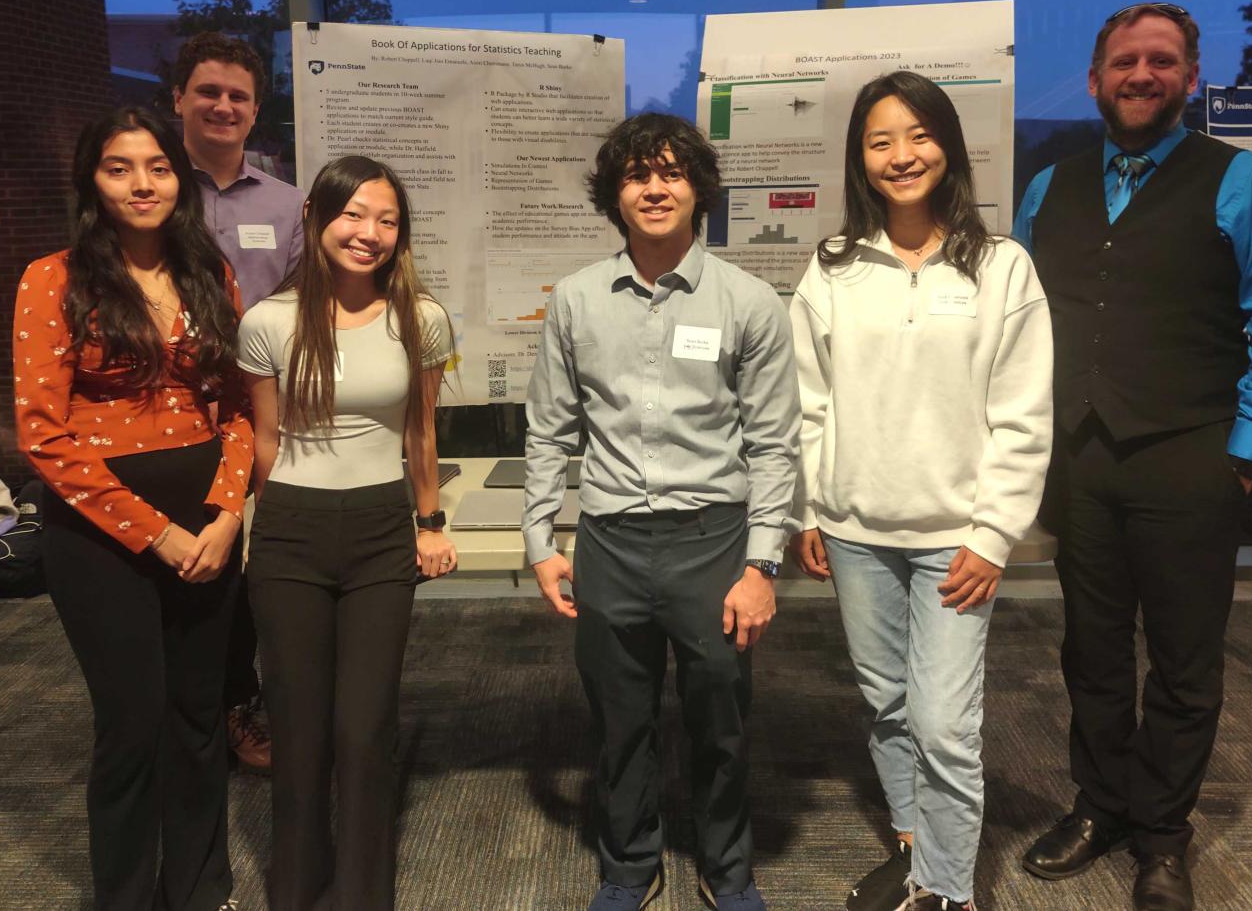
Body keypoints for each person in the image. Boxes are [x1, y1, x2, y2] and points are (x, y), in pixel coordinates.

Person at [1013, 3, 1252, 911]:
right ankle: (1100, 802)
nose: (1139, 75)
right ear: (1096, 76)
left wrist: (1246, 453)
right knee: (1092, 651)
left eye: (1161, 61)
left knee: (1184, 661)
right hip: (1081, 460)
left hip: (1194, 457)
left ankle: (1164, 835)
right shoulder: (1049, 188)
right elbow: (1019, 324)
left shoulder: (1244, 181)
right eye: (1122, 61)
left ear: (1191, 76)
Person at [788, 72, 1053, 911]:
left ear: (948, 144)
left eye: (918, 134)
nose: (902, 155)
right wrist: (811, 508)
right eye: (880, 140)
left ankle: (945, 889)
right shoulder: (832, 268)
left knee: (944, 721)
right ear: (860, 160)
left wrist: (993, 533)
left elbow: (1022, 411)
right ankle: (914, 841)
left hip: (955, 537)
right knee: (887, 702)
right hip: (856, 527)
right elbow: (808, 403)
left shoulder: (1002, 266)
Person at [523, 112, 800, 911]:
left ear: (698, 189)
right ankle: (630, 866)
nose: (654, 186)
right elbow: (549, 426)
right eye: (637, 174)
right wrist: (542, 537)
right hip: (610, 538)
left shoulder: (749, 301)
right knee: (621, 721)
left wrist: (762, 563)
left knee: (722, 722)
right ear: (615, 193)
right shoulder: (576, 299)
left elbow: (776, 444)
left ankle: (727, 865)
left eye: (672, 172)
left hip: (713, 540)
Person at [13, 106, 253, 911]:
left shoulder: (208, 273)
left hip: (206, 515)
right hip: (100, 528)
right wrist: (160, 533)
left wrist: (224, 514)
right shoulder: (53, 278)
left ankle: (199, 887)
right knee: (132, 723)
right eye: (120, 167)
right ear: (92, 179)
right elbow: (44, 437)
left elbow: (245, 408)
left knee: (198, 714)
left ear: (177, 177)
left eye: (156, 166)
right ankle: (123, 896)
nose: (142, 183)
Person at [238, 155, 456, 911]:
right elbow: (266, 442)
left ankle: (362, 896)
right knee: (298, 729)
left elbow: (421, 432)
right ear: (316, 217)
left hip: (378, 530)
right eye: (354, 214)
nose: (369, 233)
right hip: (290, 528)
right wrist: (265, 532)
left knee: (365, 727)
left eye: (387, 220)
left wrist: (428, 521)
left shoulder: (418, 318)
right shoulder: (267, 321)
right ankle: (296, 892)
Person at [172, 30, 305, 773]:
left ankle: (236, 700)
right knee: (184, 567)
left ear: (255, 112)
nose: (223, 106)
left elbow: (297, 309)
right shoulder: (153, 192)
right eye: (209, 92)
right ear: (179, 101)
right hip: (166, 411)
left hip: (255, 411)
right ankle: (185, 714)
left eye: (238, 96)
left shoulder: (288, 206)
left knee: (246, 567)